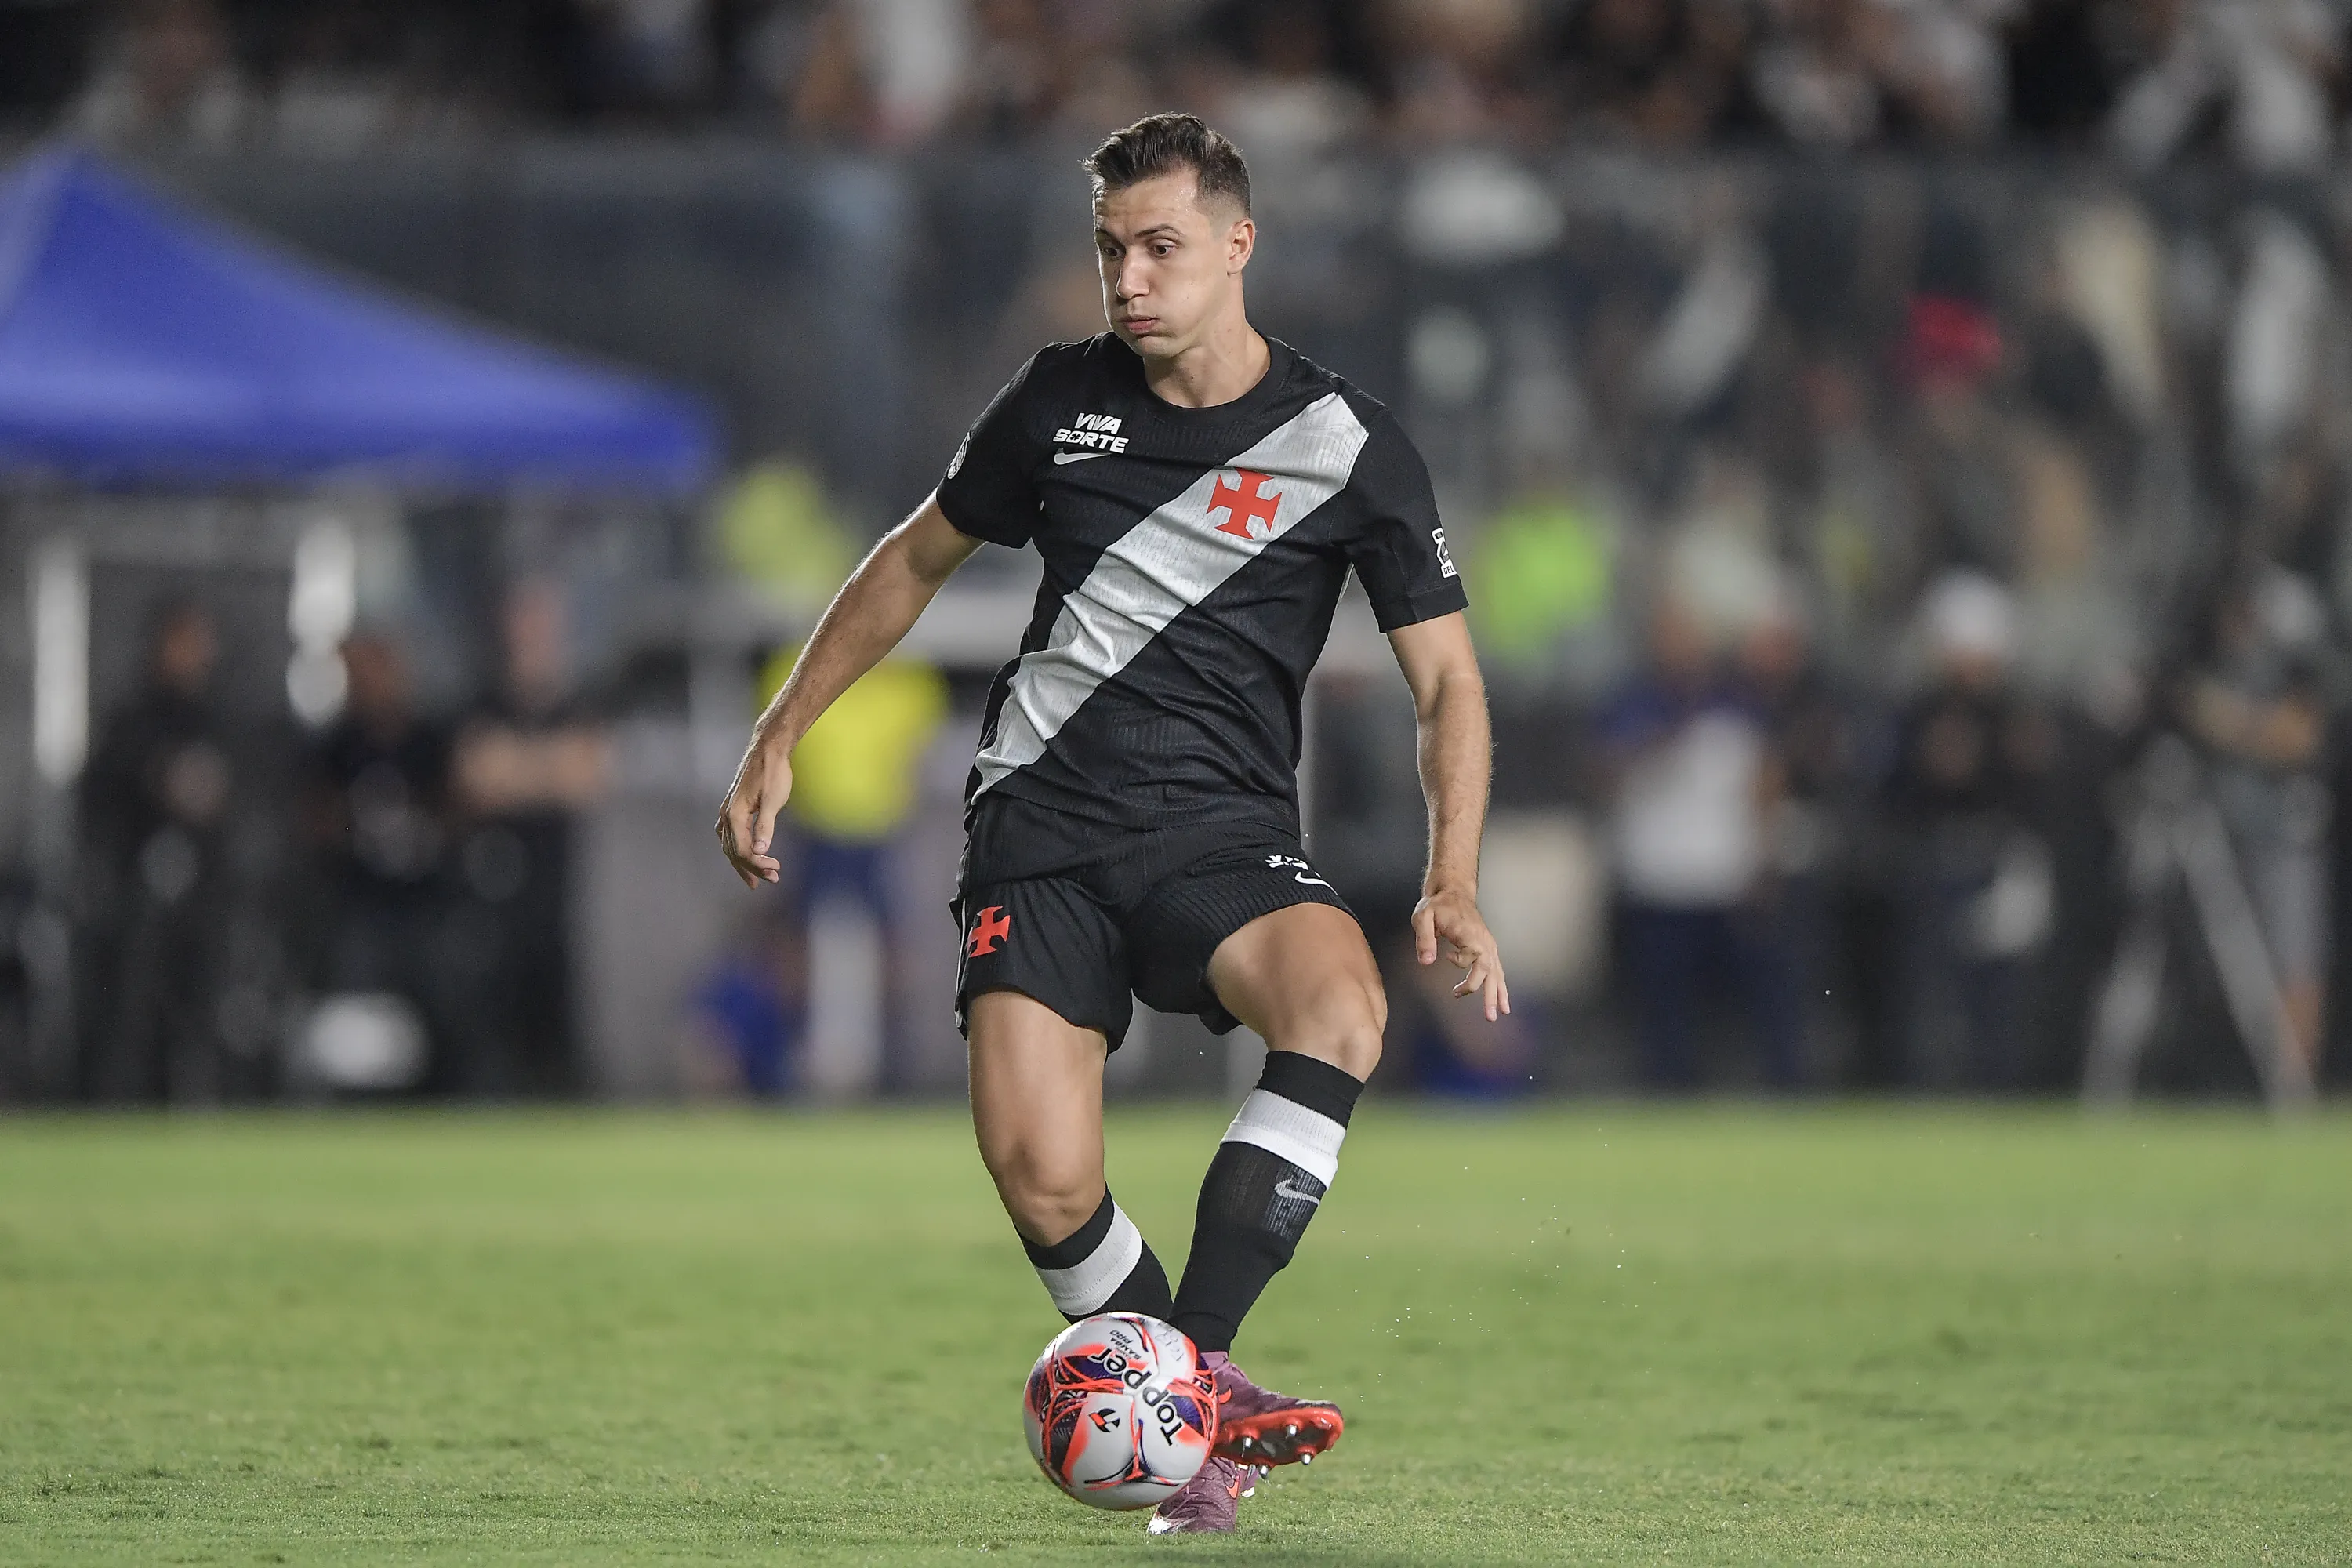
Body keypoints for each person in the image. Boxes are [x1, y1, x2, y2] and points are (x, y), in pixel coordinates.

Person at [715, 113, 1505, 1535]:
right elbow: (908, 563)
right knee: (1039, 1170)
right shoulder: (1058, 402)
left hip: (1220, 838)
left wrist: (1451, 874)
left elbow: (1447, 681)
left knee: (1340, 1005)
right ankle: (1202, 1415)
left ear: (1236, 247)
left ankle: (1189, 1386)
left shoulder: (1347, 446)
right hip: (1043, 828)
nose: (1129, 280)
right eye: (1108, 251)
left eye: (1159, 247)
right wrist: (782, 728)